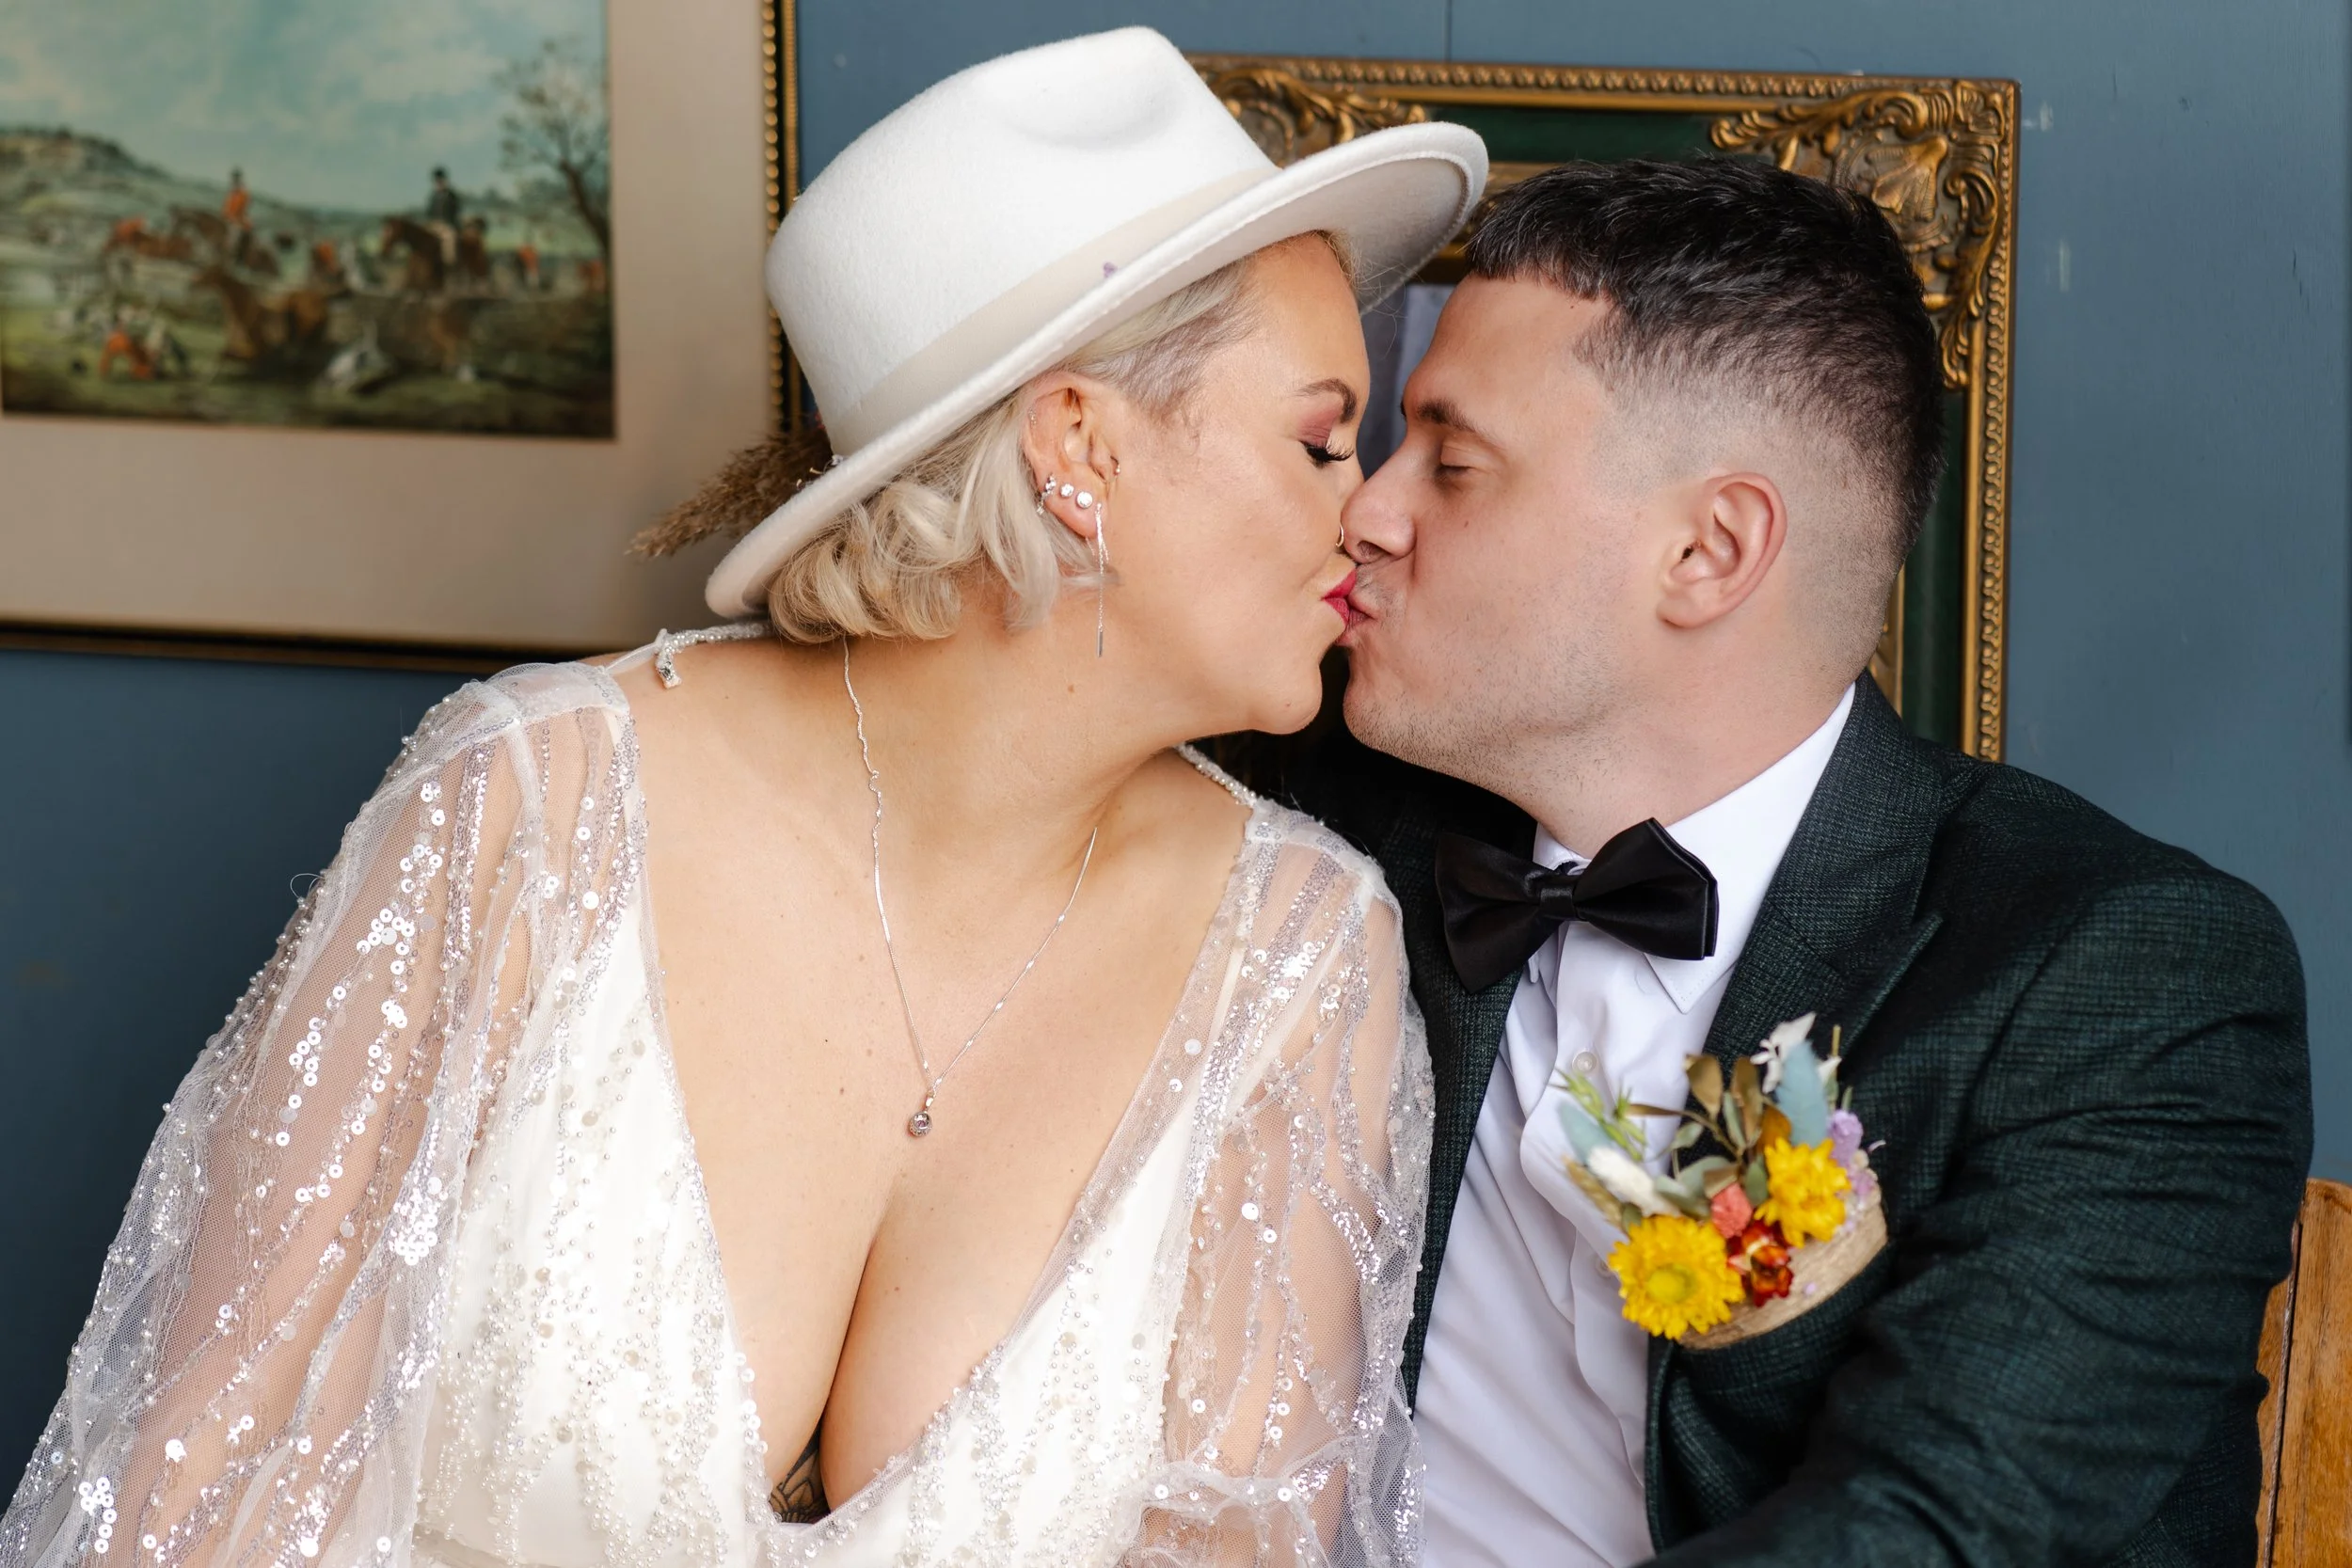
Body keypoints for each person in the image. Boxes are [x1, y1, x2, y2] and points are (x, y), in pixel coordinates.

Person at [0, 29, 1484, 1568]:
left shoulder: (1301, 952)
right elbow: (199, 1499)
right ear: (1078, 452)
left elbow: (1237, 1545)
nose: (1367, 510)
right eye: (1320, 438)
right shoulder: (531, 806)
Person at [1301, 159, 2312, 1565]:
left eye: (1452, 462)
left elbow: (1923, 1532)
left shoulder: (2128, 979)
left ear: (1711, 550)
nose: (1367, 511)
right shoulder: (1353, 813)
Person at [425, 166, 461, 265]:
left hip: (448, 225)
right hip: (434, 224)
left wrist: (448, 224)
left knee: (449, 238)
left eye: (440, 180)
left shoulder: (451, 195)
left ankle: (449, 263)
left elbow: (455, 211)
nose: (439, 183)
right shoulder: (433, 196)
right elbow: (429, 213)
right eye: (437, 181)